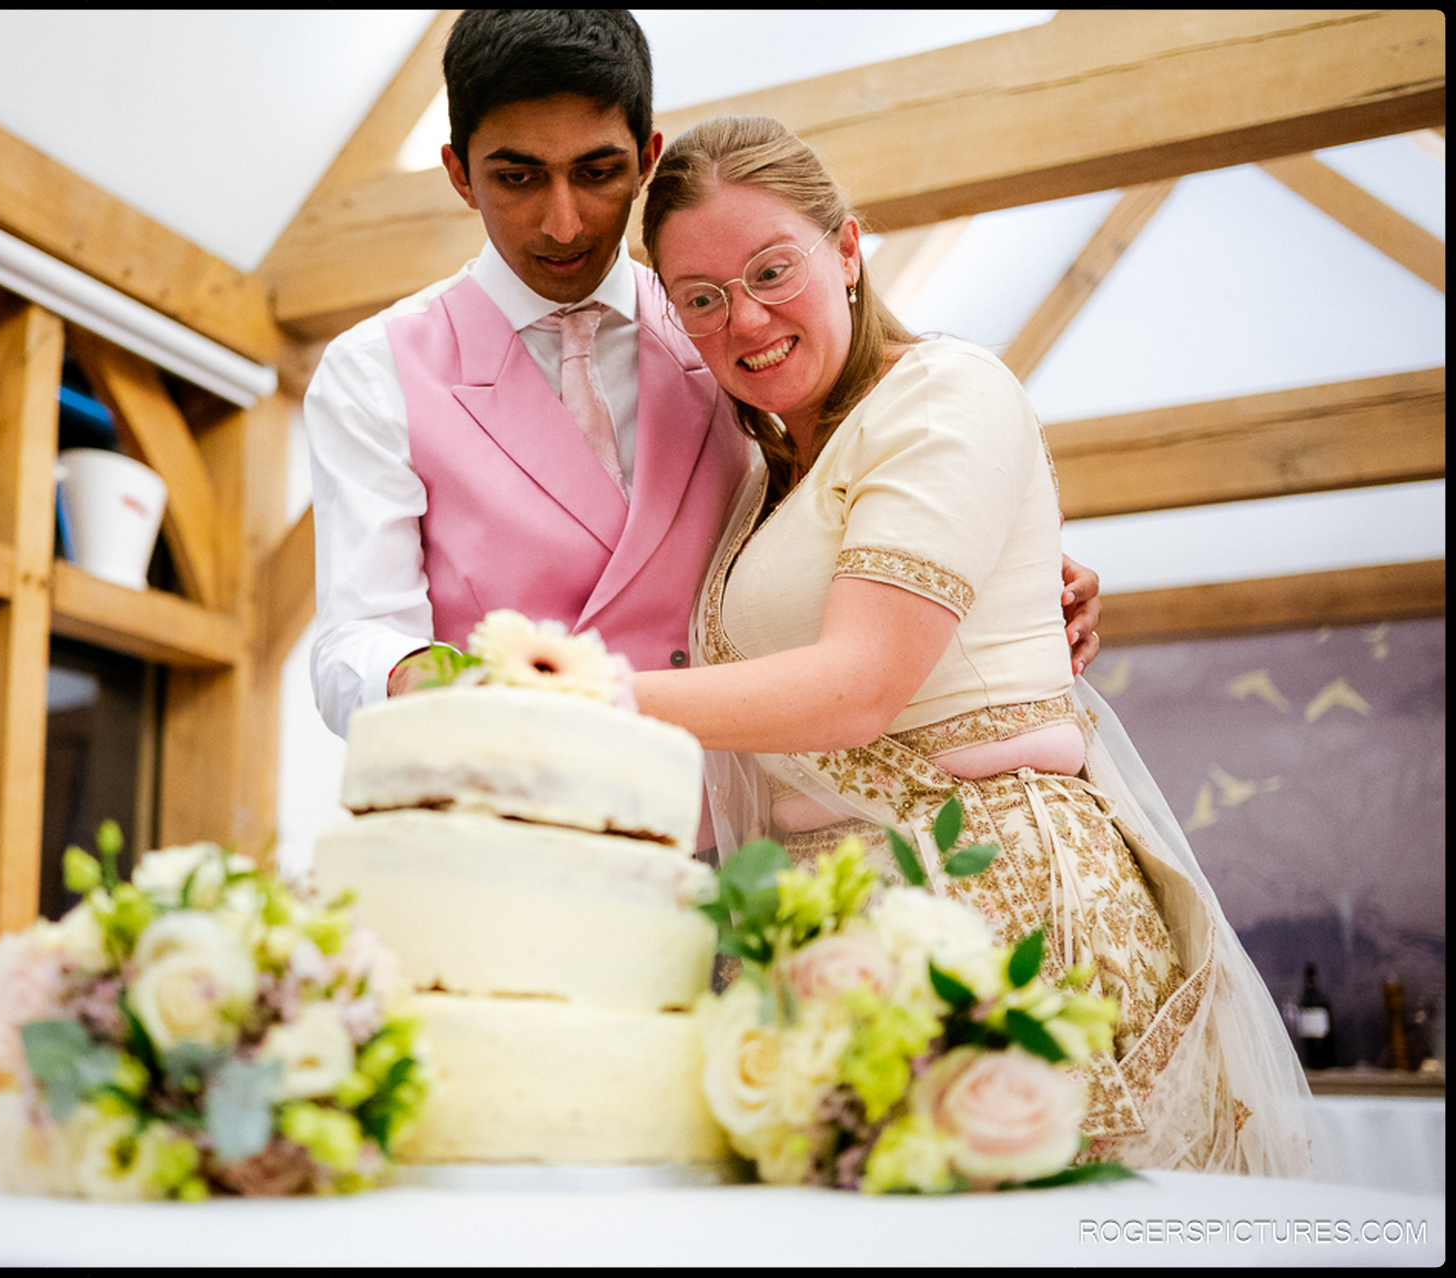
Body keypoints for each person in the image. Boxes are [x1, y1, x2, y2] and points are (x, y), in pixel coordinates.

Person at [630, 114, 1315, 1176]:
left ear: (849, 251)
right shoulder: (764, 476)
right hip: (826, 936)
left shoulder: (947, 391)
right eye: (702, 300)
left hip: (994, 899)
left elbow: (860, 687)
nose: (745, 319)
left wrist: (583, 699)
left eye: (774, 270)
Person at [304, 10, 1102, 755]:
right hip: (513, 818)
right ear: (458, 173)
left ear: (648, 159)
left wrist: (997, 564)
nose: (564, 222)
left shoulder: (729, 330)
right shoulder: (373, 370)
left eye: (598, 172)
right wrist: (435, 685)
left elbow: (848, 487)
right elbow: (358, 633)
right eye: (517, 178)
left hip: (734, 834)